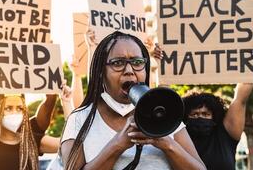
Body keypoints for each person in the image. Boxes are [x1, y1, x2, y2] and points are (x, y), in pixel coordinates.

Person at [60, 31, 206, 170]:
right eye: (118, 63)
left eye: (137, 62)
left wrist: (166, 143)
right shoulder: (80, 119)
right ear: (100, 73)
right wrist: (118, 144)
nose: (129, 70)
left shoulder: (165, 114)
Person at [182, 84, 253, 170]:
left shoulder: (226, 133)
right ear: (185, 117)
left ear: (215, 115)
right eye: (194, 114)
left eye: (205, 114)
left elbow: (240, 99)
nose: (200, 117)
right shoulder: (178, 136)